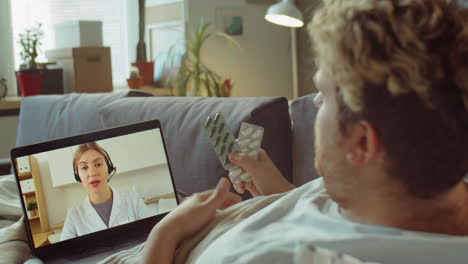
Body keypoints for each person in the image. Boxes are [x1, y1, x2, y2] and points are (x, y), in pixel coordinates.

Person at [142, 0, 468, 263]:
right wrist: (278, 191)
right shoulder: (403, 188)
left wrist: (165, 233)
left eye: (323, 95)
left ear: (362, 141)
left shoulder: (276, 258)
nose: (313, 102)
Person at [61, 142, 151, 241]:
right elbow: (64, 254)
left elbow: (154, 236)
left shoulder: (133, 200)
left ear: (109, 169)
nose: (92, 173)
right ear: (78, 176)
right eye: (84, 168)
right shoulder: (73, 216)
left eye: (98, 164)